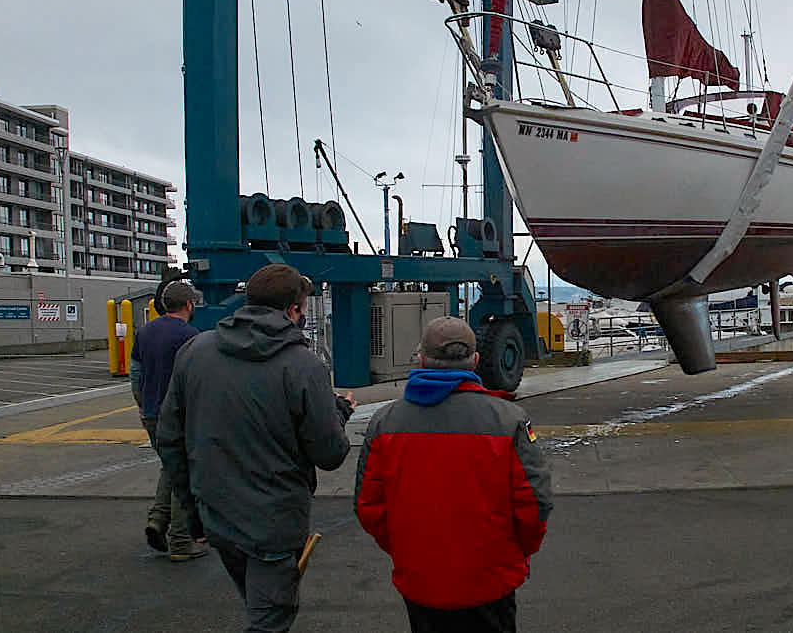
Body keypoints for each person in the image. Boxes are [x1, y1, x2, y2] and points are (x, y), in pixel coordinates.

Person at [157, 264, 355, 633]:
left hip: (217, 515)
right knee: (270, 620)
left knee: (258, 607)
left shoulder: (195, 351)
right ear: (294, 310)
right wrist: (339, 412)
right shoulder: (303, 365)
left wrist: (192, 508)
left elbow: (170, 440)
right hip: (274, 523)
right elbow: (330, 454)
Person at [355, 316, 553, 633]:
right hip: (491, 579)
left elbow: (368, 506)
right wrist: (517, 552)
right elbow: (535, 503)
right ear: (475, 361)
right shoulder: (508, 420)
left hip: (420, 579)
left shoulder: (384, 422)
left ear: (420, 358)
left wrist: (405, 548)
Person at [130, 280, 206, 561]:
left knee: (170, 467)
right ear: (189, 305)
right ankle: (181, 542)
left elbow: (135, 373)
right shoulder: (190, 335)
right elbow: (196, 381)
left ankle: (157, 520)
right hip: (179, 417)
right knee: (184, 475)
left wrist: (142, 404)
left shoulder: (145, 331)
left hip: (151, 414)